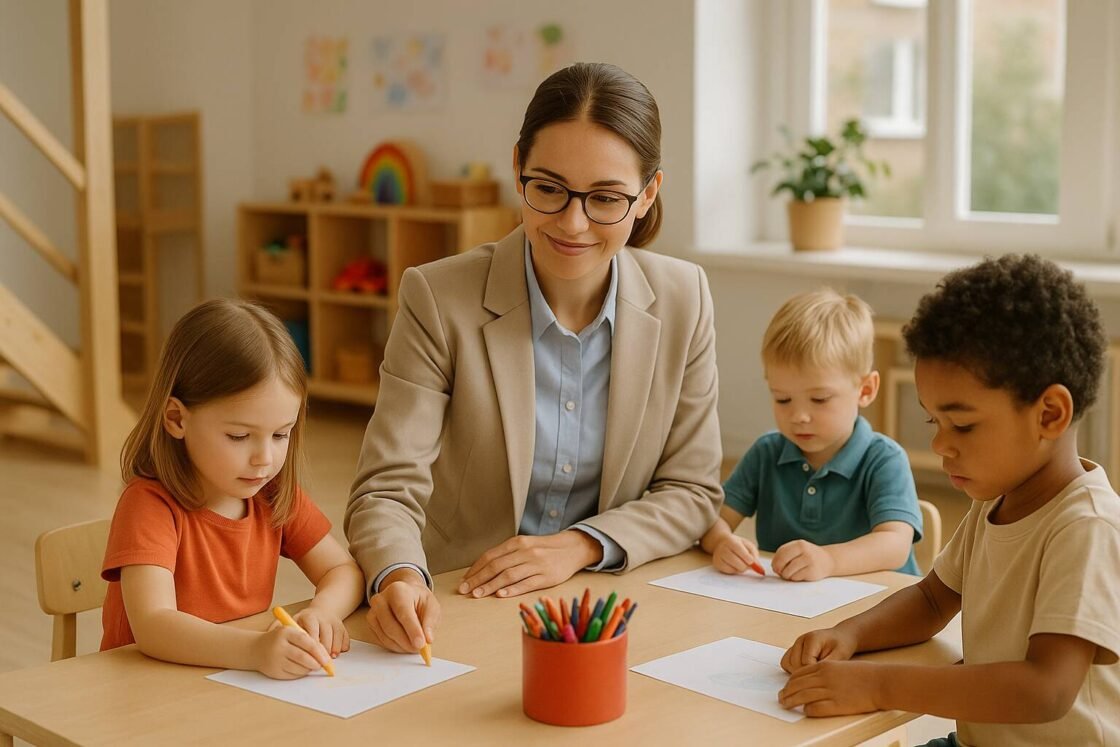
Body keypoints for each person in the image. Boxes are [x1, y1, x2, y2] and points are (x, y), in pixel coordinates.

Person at [345, 62, 722, 656]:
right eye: (548, 188)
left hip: (607, 604)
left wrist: (580, 545)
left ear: (647, 194)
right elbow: (386, 489)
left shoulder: (684, 297)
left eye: (605, 198)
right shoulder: (437, 297)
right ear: (518, 166)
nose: (572, 223)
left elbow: (693, 490)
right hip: (462, 596)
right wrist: (398, 574)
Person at [779, 255, 1120, 746]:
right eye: (933, 422)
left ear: (1049, 414)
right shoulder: (997, 500)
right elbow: (932, 598)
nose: (941, 444)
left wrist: (878, 685)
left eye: (962, 424)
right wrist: (849, 635)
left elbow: (1045, 690)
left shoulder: (1086, 528)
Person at [101, 299, 364, 680]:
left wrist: (323, 612)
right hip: (146, 693)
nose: (264, 458)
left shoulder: (271, 493)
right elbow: (154, 625)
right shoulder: (149, 505)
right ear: (177, 418)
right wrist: (255, 650)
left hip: (227, 687)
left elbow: (343, 570)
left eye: (280, 434)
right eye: (239, 436)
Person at [700, 289, 922, 580]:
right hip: (789, 609)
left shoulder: (883, 459)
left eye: (819, 399)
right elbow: (711, 521)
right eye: (782, 399)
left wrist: (829, 560)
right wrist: (721, 542)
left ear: (865, 390)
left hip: (874, 609)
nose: (798, 416)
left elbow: (895, 545)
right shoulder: (767, 452)